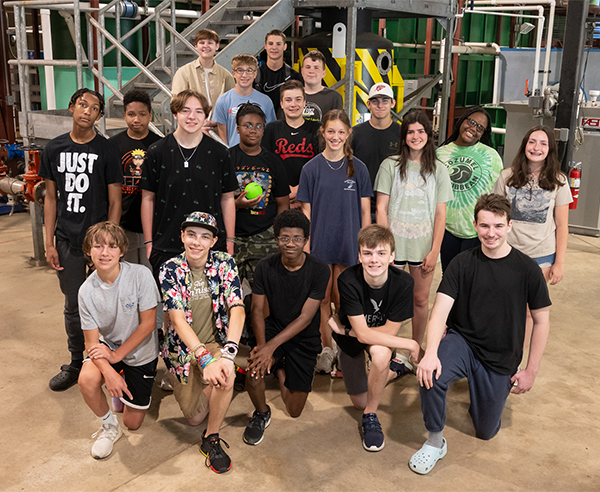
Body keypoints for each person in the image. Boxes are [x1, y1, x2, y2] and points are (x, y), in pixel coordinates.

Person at [409, 194, 551, 475]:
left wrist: (531, 371)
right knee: (430, 374)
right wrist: (431, 352)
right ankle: (436, 442)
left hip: (501, 355)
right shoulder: (462, 264)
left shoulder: (527, 270)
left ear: (510, 226)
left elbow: (541, 321)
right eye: (485, 226)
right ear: (475, 225)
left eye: (498, 226)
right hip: (464, 342)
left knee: (486, 431)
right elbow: (439, 311)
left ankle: (485, 395)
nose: (491, 233)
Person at [40, 88, 122, 391]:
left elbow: (115, 202)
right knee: (74, 306)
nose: (87, 111)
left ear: (99, 116)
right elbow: (50, 198)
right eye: (82, 105)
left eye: (95, 108)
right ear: (72, 106)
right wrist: (49, 242)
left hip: (98, 243)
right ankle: (77, 361)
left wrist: (109, 245)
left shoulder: (107, 150)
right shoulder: (54, 148)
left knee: (108, 304)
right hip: (67, 240)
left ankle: (112, 360)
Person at [159, 211, 245, 474]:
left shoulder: (225, 262)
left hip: (215, 340)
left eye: (204, 237)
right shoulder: (169, 268)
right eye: (191, 235)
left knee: (225, 375)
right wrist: (203, 358)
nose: (197, 242)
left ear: (213, 241)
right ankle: (217, 383)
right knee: (194, 417)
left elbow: (237, 308)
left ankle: (212, 438)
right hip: (182, 349)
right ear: (182, 236)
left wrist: (228, 354)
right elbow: (177, 319)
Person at [327, 224, 419, 452]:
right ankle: (396, 370)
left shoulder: (404, 282)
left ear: (392, 256)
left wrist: (349, 330)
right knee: (358, 401)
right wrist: (411, 343)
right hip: (350, 341)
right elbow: (362, 334)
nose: (374, 259)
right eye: (367, 253)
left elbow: (388, 332)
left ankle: (371, 415)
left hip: (374, 339)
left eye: (381, 253)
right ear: (359, 256)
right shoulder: (348, 280)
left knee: (379, 356)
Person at [243, 210, 330, 445]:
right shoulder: (264, 266)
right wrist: (262, 349)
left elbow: (305, 317)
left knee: (294, 410)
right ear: (276, 238)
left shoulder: (320, 270)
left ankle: (280, 369)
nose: (290, 244)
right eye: (284, 238)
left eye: (297, 238)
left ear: (306, 240)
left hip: (304, 336)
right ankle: (261, 413)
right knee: (253, 371)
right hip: (274, 329)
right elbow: (257, 311)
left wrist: (271, 348)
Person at [296, 109, 372, 374]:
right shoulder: (311, 168)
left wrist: (365, 246)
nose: (336, 136)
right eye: (331, 131)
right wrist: (306, 245)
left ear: (348, 133)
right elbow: (306, 211)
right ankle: (325, 349)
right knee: (322, 298)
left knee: (344, 298)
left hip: (348, 244)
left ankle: (344, 348)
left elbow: (365, 212)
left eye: (341, 132)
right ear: (323, 132)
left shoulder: (358, 168)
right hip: (319, 243)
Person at [77, 222, 160, 459]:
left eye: (112, 246)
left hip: (141, 352)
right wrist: (109, 370)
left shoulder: (140, 274)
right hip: (109, 346)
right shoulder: (86, 291)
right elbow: (92, 343)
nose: (105, 252)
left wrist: (116, 358)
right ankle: (109, 427)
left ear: (121, 251)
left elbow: (148, 324)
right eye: (98, 246)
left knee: (133, 423)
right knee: (87, 379)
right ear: (89, 250)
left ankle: (124, 383)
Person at [141, 89, 238, 285]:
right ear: (175, 114)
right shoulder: (156, 152)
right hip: (166, 244)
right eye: (185, 111)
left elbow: (227, 199)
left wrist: (229, 240)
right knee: (171, 309)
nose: (192, 117)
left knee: (208, 308)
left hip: (210, 244)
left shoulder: (220, 153)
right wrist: (150, 242)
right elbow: (147, 198)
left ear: (205, 116)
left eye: (199, 112)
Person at [374, 111, 453, 347]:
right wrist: (385, 250)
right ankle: (383, 348)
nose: (416, 136)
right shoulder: (390, 165)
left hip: (423, 248)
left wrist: (434, 250)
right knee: (387, 301)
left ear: (429, 135)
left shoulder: (438, 170)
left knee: (420, 301)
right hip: (394, 249)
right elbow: (381, 208)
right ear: (403, 135)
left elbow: (441, 213)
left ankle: (416, 349)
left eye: (421, 131)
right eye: (410, 131)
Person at [492, 125, 571, 284]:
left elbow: (562, 225)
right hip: (507, 250)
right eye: (532, 142)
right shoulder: (507, 176)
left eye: (543, 143)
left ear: (550, 149)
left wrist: (559, 263)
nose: (536, 147)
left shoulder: (559, 181)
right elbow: (494, 215)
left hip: (542, 254)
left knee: (531, 307)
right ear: (524, 145)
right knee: (505, 304)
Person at [436, 106, 503, 271]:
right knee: (450, 277)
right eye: (471, 122)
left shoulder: (491, 156)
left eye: (480, 127)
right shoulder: (440, 154)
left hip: (477, 230)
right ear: (462, 121)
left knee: (474, 280)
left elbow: (498, 195)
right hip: (446, 228)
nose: (473, 128)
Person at [231, 102, 290, 285]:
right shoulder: (226, 158)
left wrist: (278, 235)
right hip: (234, 236)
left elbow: (283, 204)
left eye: (258, 126)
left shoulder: (273, 161)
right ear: (238, 128)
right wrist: (236, 204)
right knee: (228, 293)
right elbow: (216, 200)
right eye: (247, 125)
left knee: (266, 291)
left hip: (265, 235)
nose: (253, 130)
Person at [109, 90, 161, 267]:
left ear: (150, 115)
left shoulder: (160, 145)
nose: (136, 119)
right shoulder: (113, 146)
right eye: (131, 114)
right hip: (124, 225)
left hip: (154, 227)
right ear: (124, 115)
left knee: (151, 279)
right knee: (127, 277)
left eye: (142, 114)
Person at [262, 80, 320, 209]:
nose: (293, 104)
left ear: (305, 102)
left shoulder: (317, 129)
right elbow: (265, 165)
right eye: (288, 100)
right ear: (281, 104)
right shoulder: (271, 129)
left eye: (298, 99)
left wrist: (298, 190)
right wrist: (284, 191)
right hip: (278, 198)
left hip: (311, 199)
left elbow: (322, 166)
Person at [351, 82, 400, 217]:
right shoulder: (355, 133)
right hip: (360, 205)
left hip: (392, 207)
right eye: (375, 101)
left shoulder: (402, 134)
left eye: (385, 101)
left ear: (393, 103)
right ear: (368, 104)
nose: (380, 105)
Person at [213, 54, 276, 147]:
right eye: (240, 70)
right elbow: (223, 139)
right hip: (234, 158)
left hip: (259, 157)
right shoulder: (223, 101)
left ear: (255, 74)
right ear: (233, 73)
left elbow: (270, 135)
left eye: (249, 70)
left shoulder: (266, 101)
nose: (244, 75)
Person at [171, 29, 235, 109]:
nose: (206, 46)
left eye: (210, 42)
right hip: (193, 120)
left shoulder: (226, 75)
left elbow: (232, 104)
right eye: (202, 42)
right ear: (196, 46)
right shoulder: (183, 73)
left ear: (217, 46)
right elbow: (177, 103)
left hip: (217, 121)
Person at [253, 30, 303, 113]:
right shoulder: (255, 76)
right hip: (261, 124)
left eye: (278, 44)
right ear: (265, 46)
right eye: (270, 43)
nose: (274, 47)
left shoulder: (294, 77)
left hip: (286, 124)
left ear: (285, 46)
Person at [300, 50, 343, 123]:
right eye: (308, 67)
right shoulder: (292, 95)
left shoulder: (334, 97)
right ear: (302, 72)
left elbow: (337, 126)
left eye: (316, 68)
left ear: (323, 73)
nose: (311, 71)